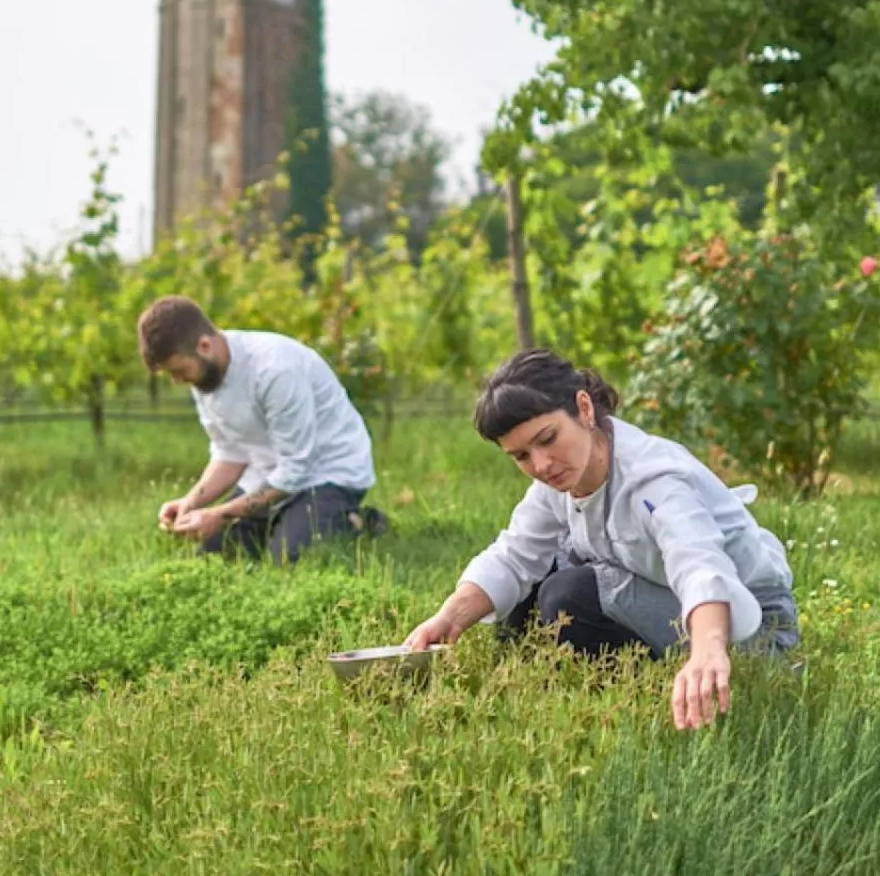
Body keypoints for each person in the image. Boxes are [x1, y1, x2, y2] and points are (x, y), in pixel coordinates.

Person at [404, 349, 797, 732]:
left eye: (548, 438)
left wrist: (707, 649)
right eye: (521, 456)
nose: (541, 465)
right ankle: (516, 695)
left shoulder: (653, 479)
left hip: (749, 626)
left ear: (584, 408)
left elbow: (699, 564)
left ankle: (635, 698)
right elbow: (514, 555)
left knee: (568, 595)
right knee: (537, 574)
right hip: (659, 595)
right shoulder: (560, 481)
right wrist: (448, 618)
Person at [137, 295, 380, 564]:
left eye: (179, 370)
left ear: (204, 345)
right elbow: (229, 453)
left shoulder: (274, 370)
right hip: (268, 474)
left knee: (287, 558)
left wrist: (221, 514)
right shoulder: (205, 376)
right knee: (215, 556)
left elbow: (296, 470)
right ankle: (287, 521)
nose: (178, 380)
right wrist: (191, 502)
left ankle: (362, 522)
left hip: (326, 473)